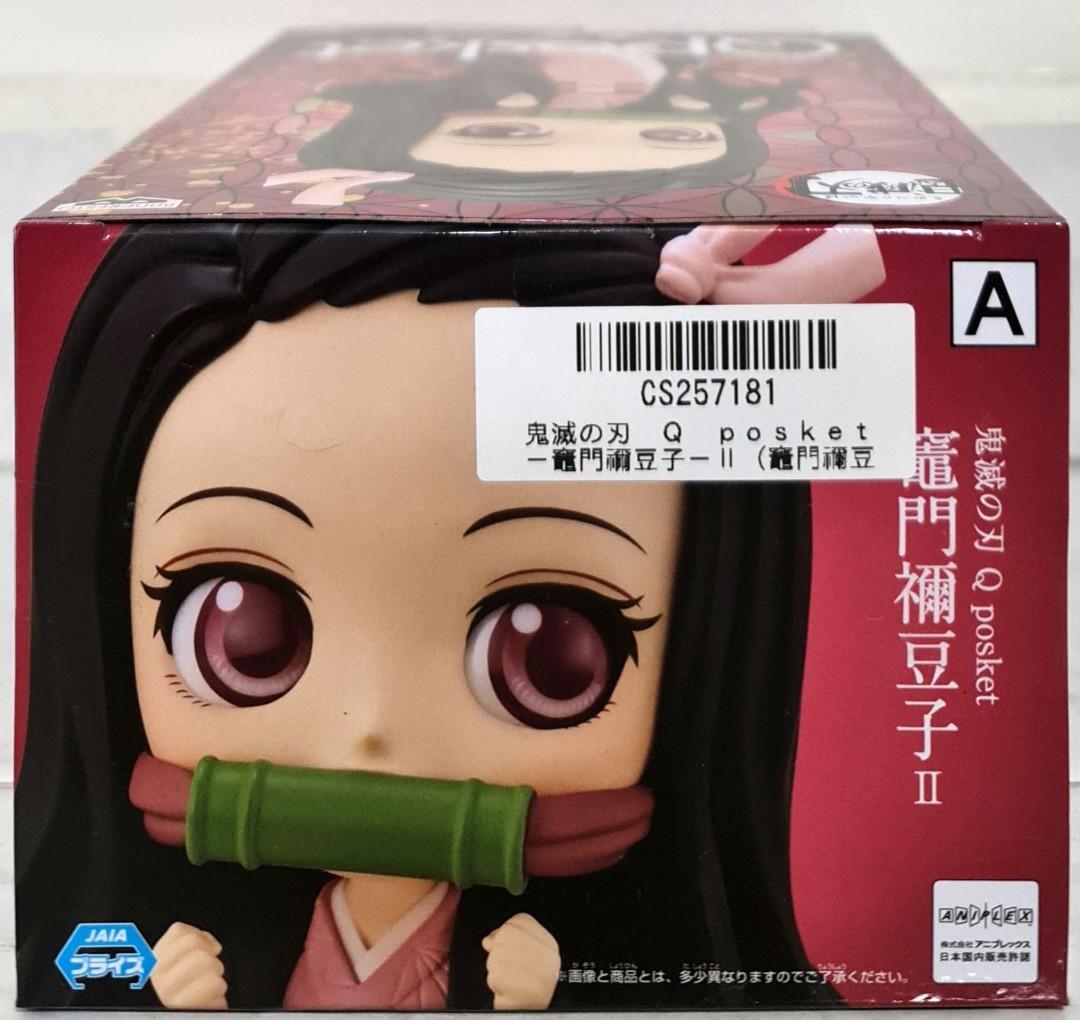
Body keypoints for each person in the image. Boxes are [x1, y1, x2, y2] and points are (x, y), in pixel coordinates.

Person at [17, 220, 881, 1009]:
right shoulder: (208, 934)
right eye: (246, 640)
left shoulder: (576, 956)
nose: (371, 728)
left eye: (548, 660)